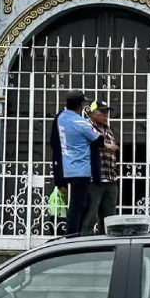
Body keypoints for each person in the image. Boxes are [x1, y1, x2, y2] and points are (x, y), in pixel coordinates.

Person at [53, 92, 99, 236]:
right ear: (81, 106)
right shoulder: (80, 122)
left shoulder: (61, 118)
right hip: (81, 169)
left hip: (66, 167)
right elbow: (97, 139)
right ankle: (73, 235)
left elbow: (54, 142)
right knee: (78, 205)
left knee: (80, 203)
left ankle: (76, 233)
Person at [81, 100, 120, 235]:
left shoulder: (107, 129)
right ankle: (84, 245)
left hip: (110, 179)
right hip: (94, 179)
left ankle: (107, 246)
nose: (105, 115)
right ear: (92, 114)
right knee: (90, 215)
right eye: (102, 112)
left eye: (107, 112)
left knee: (109, 218)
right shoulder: (87, 127)